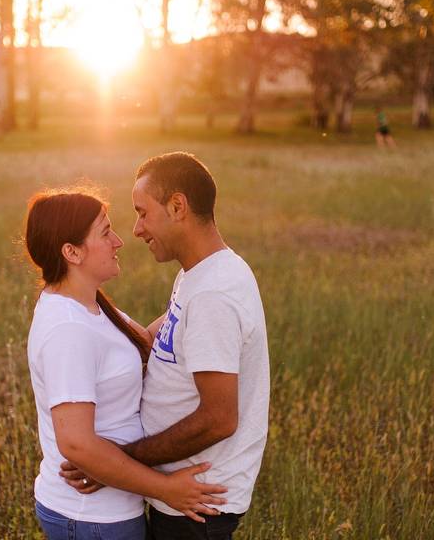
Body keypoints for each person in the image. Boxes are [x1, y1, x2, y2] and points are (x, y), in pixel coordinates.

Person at [61, 153, 270, 540]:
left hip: (196, 503)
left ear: (177, 207)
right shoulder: (200, 274)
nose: (137, 229)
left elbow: (219, 418)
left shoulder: (214, 295)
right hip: (181, 497)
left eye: (143, 213)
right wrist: (71, 302)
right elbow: (151, 337)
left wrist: (118, 460)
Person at [24, 188, 227, 540]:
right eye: (105, 233)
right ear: (71, 252)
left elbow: (142, 343)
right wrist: (165, 489)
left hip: (109, 512)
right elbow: (77, 445)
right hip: (90, 518)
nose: (118, 241)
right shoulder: (68, 330)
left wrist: (204, 291)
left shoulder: (90, 304)